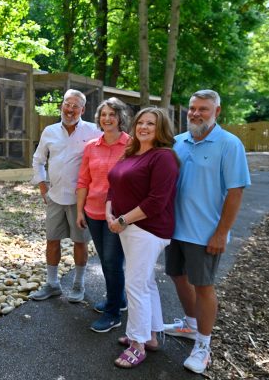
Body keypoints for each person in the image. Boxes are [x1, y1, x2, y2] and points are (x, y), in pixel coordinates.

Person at [163, 90, 251, 374]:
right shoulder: (178, 142)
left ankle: (203, 344)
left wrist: (220, 233)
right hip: (175, 229)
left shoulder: (229, 144)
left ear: (217, 111)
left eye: (203, 109)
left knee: (203, 286)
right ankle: (190, 324)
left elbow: (235, 192)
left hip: (205, 233)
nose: (195, 113)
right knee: (177, 276)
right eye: (192, 108)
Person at [106, 107, 179, 369]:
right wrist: (109, 213)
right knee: (145, 282)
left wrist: (123, 219)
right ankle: (151, 336)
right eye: (141, 122)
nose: (144, 127)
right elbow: (114, 185)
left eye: (151, 123)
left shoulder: (164, 157)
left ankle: (137, 344)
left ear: (161, 129)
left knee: (135, 284)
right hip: (126, 227)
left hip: (148, 230)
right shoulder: (131, 152)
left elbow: (156, 201)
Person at [30, 89, 102, 302]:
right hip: (54, 197)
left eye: (75, 106)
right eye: (67, 104)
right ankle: (52, 284)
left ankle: (79, 284)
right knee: (52, 240)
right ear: (62, 105)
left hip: (80, 200)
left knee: (80, 242)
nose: (70, 110)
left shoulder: (93, 131)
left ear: (83, 109)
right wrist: (42, 187)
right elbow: (38, 160)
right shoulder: (49, 131)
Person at [76, 97, 130, 333]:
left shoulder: (131, 146)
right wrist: (79, 210)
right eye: (103, 114)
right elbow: (83, 180)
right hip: (92, 211)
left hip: (118, 215)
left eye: (112, 114)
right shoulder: (91, 146)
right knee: (106, 260)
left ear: (120, 118)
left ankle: (112, 313)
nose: (107, 119)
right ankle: (120, 299)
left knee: (112, 261)